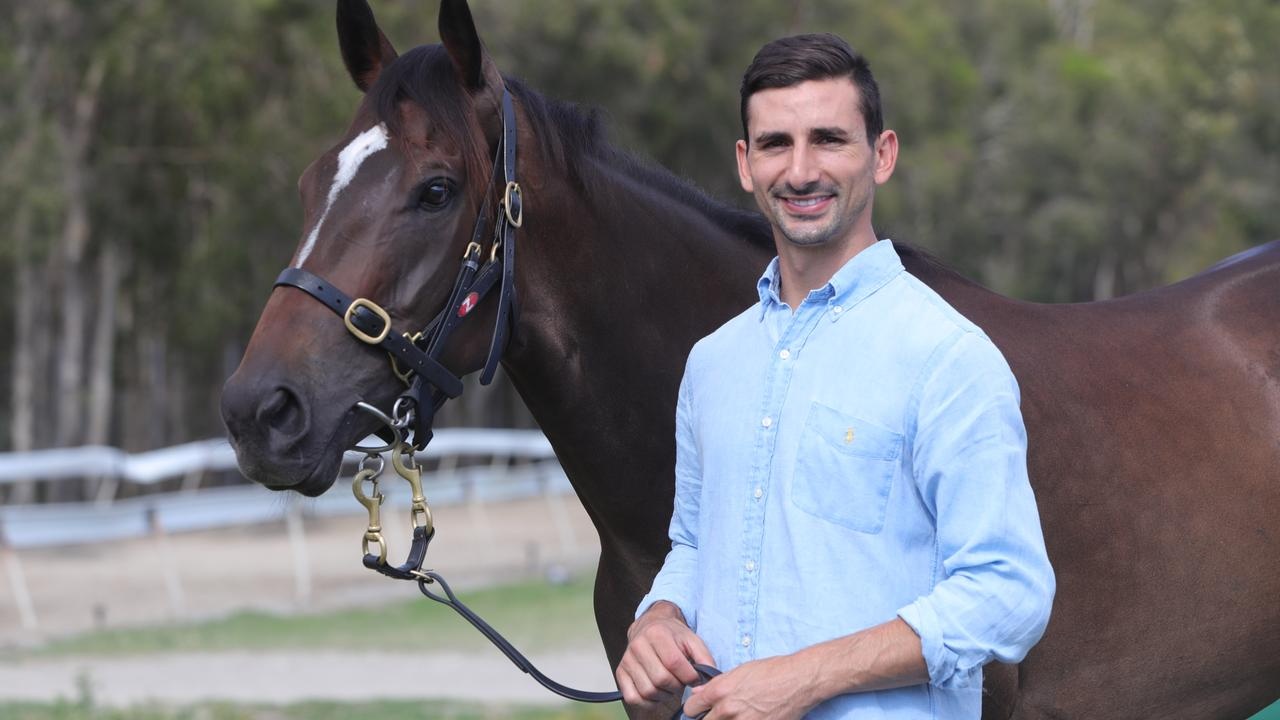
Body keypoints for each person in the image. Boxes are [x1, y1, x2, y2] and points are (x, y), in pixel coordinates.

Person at [616, 33, 1056, 719]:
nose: (800, 171)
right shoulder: (713, 363)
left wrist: (806, 677)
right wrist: (660, 617)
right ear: (744, 163)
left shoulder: (947, 356)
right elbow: (695, 543)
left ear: (881, 156)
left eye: (828, 139)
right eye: (774, 144)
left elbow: (1010, 591)